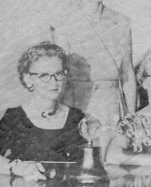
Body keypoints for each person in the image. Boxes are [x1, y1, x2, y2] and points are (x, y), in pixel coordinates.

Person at [51, 0, 136, 156]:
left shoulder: (121, 22)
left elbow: (128, 74)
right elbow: (59, 79)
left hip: (113, 108)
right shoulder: (64, 24)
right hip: (78, 106)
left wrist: (132, 119)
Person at [0, 42, 87, 180]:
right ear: (28, 79)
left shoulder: (77, 117)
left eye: (58, 74)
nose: (54, 82)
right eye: (44, 75)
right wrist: (16, 167)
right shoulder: (14, 117)